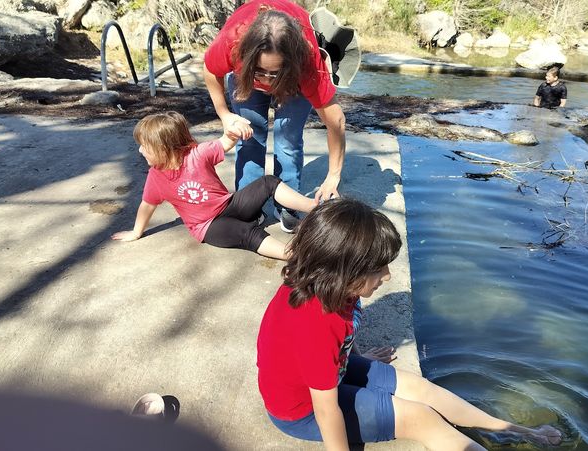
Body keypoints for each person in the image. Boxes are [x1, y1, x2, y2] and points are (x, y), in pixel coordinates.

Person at [256, 198, 563, 450]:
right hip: (302, 410)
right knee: (421, 418)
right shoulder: (316, 323)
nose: (387, 276)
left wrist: (354, 358)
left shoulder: (335, 286)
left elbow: (344, 332)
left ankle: (511, 429)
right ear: (345, 271)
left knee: (420, 388)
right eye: (379, 269)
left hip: (332, 374)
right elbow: (326, 411)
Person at [203, 0, 346, 233]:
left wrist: (333, 175)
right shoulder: (233, 41)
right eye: (261, 71)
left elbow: (336, 121)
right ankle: (248, 204)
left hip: (294, 81)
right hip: (244, 77)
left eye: (274, 73)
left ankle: (287, 205)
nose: (267, 81)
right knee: (249, 138)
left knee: (287, 140)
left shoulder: (308, 61)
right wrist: (225, 114)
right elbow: (210, 70)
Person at [111, 112, 316, 260]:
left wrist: (235, 131)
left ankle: (317, 207)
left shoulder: (197, 154)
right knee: (248, 233)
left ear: (164, 148)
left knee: (268, 182)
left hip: (230, 206)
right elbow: (147, 205)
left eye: (144, 146)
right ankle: (297, 257)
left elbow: (225, 141)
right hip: (209, 227)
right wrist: (136, 232)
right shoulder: (156, 177)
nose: (139, 150)